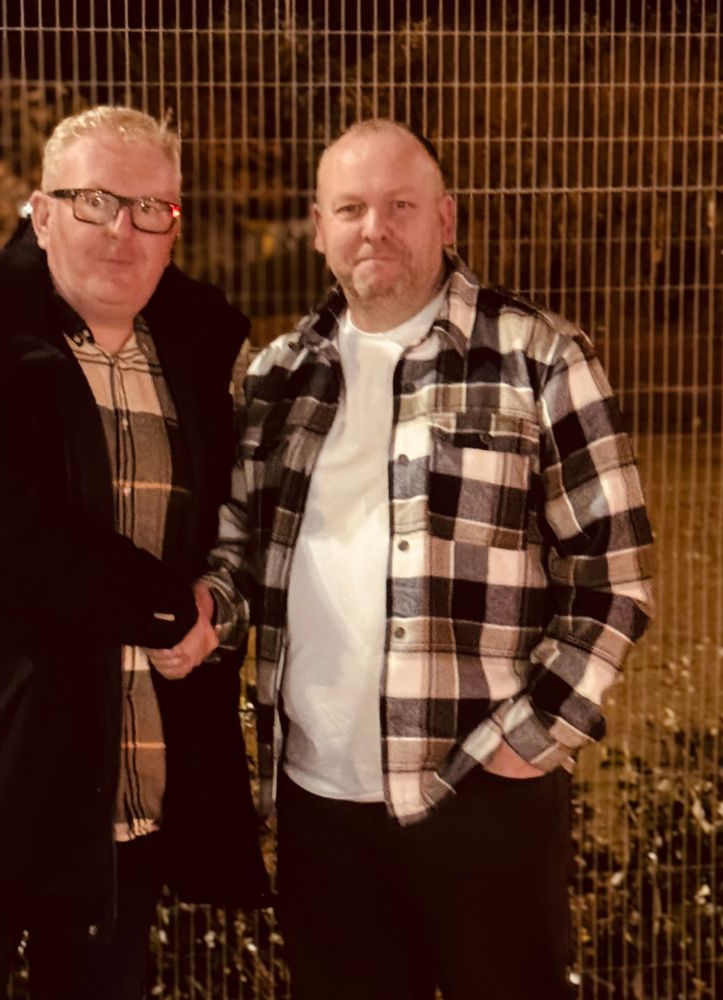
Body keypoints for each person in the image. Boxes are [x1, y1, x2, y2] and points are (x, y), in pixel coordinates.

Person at [155, 119, 654, 999]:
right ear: (318, 226)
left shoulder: (537, 358)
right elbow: (239, 545)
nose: (373, 228)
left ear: (446, 220)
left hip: (478, 790)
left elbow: (613, 575)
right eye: (350, 208)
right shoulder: (279, 376)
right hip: (317, 800)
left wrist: (531, 739)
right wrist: (209, 608)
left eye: (400, 206)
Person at [0, 105, 265, 1000]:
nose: (124, 230)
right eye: (95, 201)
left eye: (151, 208)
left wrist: (216, 603)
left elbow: (243, 525)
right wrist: (165, 609)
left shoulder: (201, 352)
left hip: (124, 796)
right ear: (39, 214)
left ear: (175, 227)